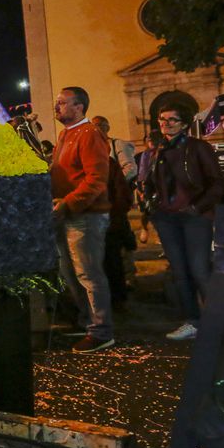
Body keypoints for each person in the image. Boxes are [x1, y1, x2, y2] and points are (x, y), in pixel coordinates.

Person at [138, 105, 224, 341]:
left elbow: (216, 183)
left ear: (185, 124)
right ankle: (193, 321)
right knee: (180, 272)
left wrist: (197, 207)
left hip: (195, 217)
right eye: (162, 120)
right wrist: (150, 205)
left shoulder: (198, 148)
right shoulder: (159, 150)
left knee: (199, 269)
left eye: (172, 120)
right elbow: (150, 182)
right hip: (167, 218)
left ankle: (217, 322)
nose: (166, 124)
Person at [50, 87, 115, 353]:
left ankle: (101, 331)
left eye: (62, 103)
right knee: (71, 274)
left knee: (89, 275)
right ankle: (87, 321)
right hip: (67, 214)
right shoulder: (67, 134)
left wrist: (68, 203)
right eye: (57, 102)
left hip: (86, 216)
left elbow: (96, 180)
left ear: (79, 107)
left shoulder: (89, 135)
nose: (57, 107)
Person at [92, 116, 137, 306]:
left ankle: (119, 296)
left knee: (113, 258)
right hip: (102, 217)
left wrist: (115, 212)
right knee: (107, 260)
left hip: (110, 217)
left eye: (100, 126)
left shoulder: (113, 153)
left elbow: (130, 170)